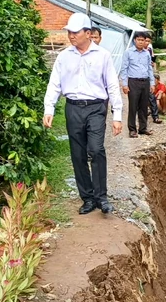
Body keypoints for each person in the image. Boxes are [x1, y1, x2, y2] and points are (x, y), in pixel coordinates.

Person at [43, 13, 122, 215]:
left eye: (75, 32)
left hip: (96, 108)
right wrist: (49, 108)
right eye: (69, 32)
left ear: (88, 33)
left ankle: (101, 197)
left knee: (96, 150)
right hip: (73, 108)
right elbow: (54, 84)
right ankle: (87, 198)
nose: (71, 36)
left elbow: (112, 85)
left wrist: (117, 115)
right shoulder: (64, 57)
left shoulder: (102, 56)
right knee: (77, 154)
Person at [120, 31, 155, 138]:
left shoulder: (146, 53)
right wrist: (124, 85)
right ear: (135, 40)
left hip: (145, 82)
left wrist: (152, 83)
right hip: (133, 82)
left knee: (144, 107)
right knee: (133, 106)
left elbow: (149, 69)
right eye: (139, 40)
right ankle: (132, 129)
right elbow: (124, 69)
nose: (141, 42)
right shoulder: (128, 53)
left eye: (143, 40)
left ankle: (143, 128)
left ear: (146, 42)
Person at [145, 35, 163, 125]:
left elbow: (152, 62)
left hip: (149, 76)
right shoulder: (132, 52)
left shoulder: (149, 50)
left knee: (151, 97)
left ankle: (155, 117)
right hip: (138, 79)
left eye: (148, 41)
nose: (147, 43)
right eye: (145, 41)